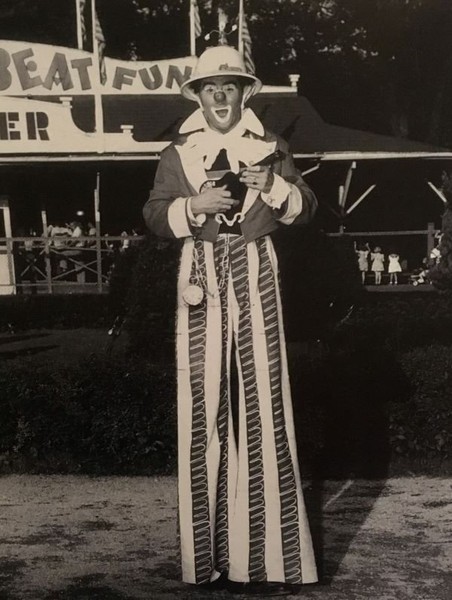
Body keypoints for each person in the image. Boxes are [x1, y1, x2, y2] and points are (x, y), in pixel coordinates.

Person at [143, 45, 318, 596]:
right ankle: (208, 560)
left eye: (230, 85)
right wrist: (195, 206)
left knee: (268, 403)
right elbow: (153, 212)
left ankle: (269, 560)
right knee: (201, 408)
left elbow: (307, 207)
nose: (219, 95)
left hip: (256, 268)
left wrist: (272, 186)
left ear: (246, 92)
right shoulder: (178, 151)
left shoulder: (272, 147)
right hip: (199, 273)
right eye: (209, 86)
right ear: (196, 94)